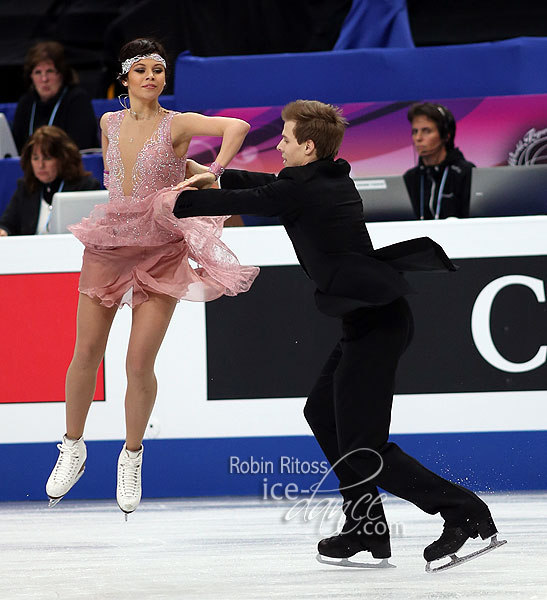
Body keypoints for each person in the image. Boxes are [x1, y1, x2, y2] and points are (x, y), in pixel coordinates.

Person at [173, 100, 502, 569]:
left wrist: (168, 198)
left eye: (285, 139)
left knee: (368, 448)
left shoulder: (305, 189)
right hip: (369, 320)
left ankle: (465, 514)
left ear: (307, 146)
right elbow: (268, 189)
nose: (279, 146)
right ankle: (365, 527)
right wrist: (215, 176)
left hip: (378, 324)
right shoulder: (323, 176)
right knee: (322, 413)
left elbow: (256, 200)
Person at [45, 38, 258, 517]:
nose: (151, 76)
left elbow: (237, 126)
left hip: (160, 250)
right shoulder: (108, 122)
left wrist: (212, 172)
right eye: (140, 69)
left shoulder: (177, 122)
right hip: (111, 243)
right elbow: (130, 174)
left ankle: (132, 455)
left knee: (138, 362)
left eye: (158, 69)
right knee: (85, 353)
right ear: (124, 78)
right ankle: (72, 447)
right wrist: (181, 167)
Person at [0, 126, 100, 236]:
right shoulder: (26, 187)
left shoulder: (86, 187)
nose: (40, 165)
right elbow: (8, 224)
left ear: (63, 159)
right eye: (35, 158)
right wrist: (3, 232)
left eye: (47, 158)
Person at [11, 41, 99, 152]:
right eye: (38, 72)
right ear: (31, 77)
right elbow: (15, 149)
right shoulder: (26, 103)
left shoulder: (77, 100)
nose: (44, 79)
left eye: (50, 71)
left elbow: (80, 147)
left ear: (61, 74)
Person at [403, 102, 475, 220]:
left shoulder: (466, 173)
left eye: (426, 131)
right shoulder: (410, 178)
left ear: (446, 135)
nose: (418, 138)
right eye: (415, 131)